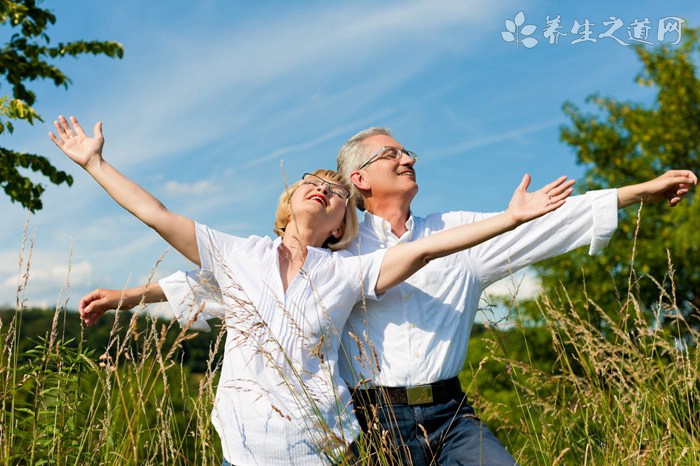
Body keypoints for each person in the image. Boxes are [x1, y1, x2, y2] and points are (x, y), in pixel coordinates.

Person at [49, 115, 576, 466]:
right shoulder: (238, 254)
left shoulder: (346, 272)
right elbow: (156, 217)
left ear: (341, 224)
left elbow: (425, 250)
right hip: (248, 446)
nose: (323, 188)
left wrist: (510, 219)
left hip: (322, 445)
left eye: (336, 192)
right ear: (290, 199)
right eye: (312, 180)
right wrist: (94, 163)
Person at [334, 127, 697, 465]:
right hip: (370, 422)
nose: (408, 159)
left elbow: (548, 223)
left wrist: (638, 193)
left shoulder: (456, 230)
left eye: (407, 153)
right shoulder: (338, 252)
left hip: (450, 418)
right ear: (360, 178)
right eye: (391, 154)